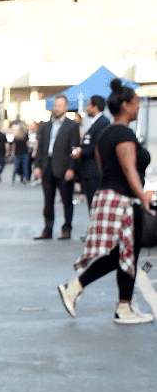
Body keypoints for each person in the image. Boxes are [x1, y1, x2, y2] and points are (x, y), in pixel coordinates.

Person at [57, 78, 154, 324]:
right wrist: (143, 198)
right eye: (136, 103)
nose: (139, 107)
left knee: (121, 253)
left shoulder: (103, 134)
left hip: (107, 196)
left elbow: (103, 169)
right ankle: (122, 307)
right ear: (127, 105)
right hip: (123, 200)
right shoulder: (123, 133)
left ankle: (80, 289)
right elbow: (129, 168)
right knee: (128, 254)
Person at [33, 93, 79, 238]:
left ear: (65, 107)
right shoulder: (45, 126)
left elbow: (75, 148)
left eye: (60, 106)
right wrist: (38, 166)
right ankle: (48, 228)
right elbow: (40, 147)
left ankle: (67, 228)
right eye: (55, 106)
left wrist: (71, 168)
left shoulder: (72, 126)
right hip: (47, 167)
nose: (57, 109)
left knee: (66, 201)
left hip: (64, 168)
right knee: (48, 201)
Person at [72, 93, 110, 212]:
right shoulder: (95, 122)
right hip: (88, 171)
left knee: (95, 206)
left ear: (95, 106)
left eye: (89, 105)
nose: (87, 108)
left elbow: (96, 146)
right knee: (91, 205)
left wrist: (81, 152)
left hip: (94, 171)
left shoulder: (103, 122)